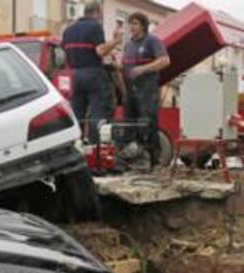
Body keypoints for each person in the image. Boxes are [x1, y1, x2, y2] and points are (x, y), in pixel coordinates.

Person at [62, 2, 122, 143]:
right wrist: (116, 41)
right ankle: (96, 148)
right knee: (98, 112)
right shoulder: (95, 27)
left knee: (77, 114)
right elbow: (100, 50)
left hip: (75, 75)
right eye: (100, 14)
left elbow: (65, 56)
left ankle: (76, 144)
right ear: (96, 12)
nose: (100, 17)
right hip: (94, 74)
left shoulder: (68, 30)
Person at [122, 12, 170, 167]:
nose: (131, 27)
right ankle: (135, 160)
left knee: (147, 125)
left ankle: (154, 162)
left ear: (143, 25)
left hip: (147, 91)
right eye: (130, 23)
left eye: (135, 23)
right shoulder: (128, 44)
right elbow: (125, 66)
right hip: (130, 91)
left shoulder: (152, 41)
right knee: (130, 125)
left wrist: (143, 69)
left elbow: (165, 61)